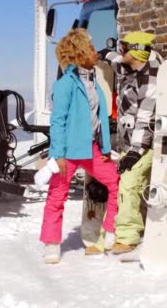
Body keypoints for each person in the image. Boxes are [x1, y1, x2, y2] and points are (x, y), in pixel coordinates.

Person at [40, 28, 120, 264]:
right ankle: (52, 244)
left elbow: (100, 118)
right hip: (69, 152)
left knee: (115, 183)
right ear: (79, 53)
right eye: (91, 48)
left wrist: (105, 148)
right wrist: (57, 155)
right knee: (57, 196)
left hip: (92, 148)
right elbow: (58, 121)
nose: (96, 52)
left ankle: (110, 230)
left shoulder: (93, 79)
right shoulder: (65, 84)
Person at [100, 31, 163, 254]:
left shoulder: (150, 79)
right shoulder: (134, 65)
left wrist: (135, 152)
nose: (120, 51)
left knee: (129, 181)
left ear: (136, 50)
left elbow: (146, 118)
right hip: (128, 140)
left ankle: (127, 237)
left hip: (144, 144)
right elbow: (120, 64)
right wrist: (105, 55)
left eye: (123, 47)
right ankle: (130, 226)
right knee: (128, 183)